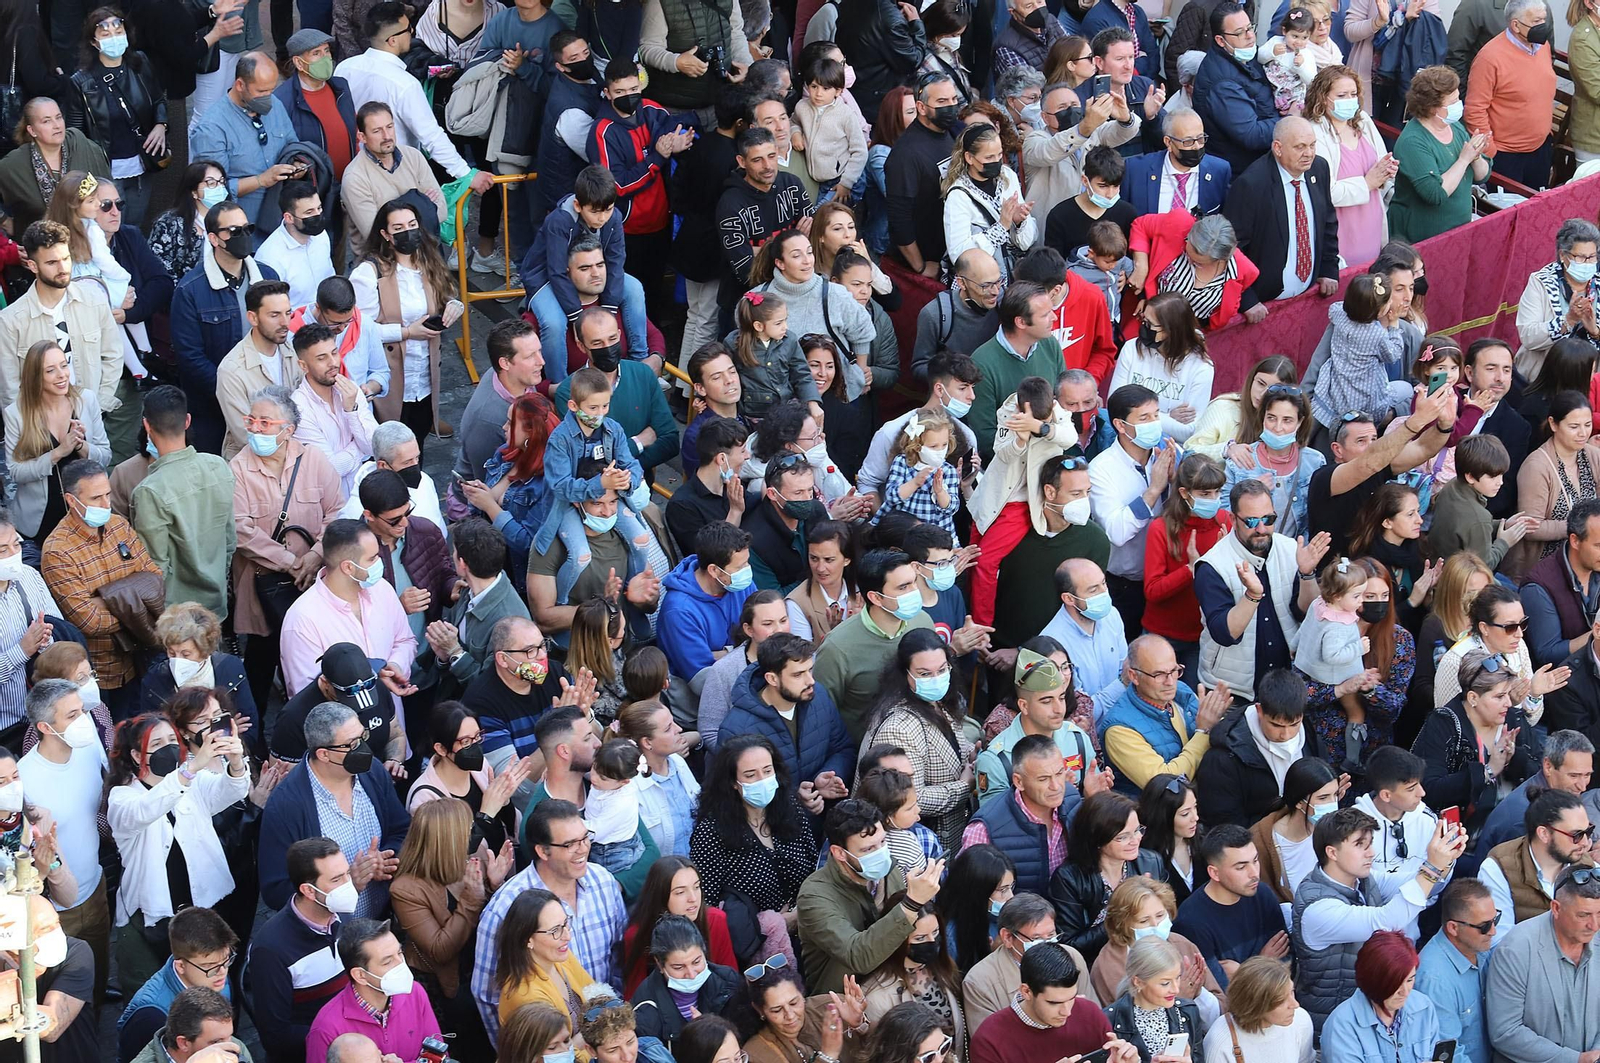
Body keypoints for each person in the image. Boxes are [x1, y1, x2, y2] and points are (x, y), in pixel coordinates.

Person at [105, 710, 250, 992]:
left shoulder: (191, 779)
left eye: (172, 739)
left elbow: (230, 792)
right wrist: (189, 770)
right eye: (157, 743)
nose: (169, 747)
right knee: (151, 989)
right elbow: (147, 809)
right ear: (137, 756)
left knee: (211, 985)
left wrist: (234, 761)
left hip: (201, 903)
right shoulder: (122, 797)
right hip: (152, 915)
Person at [1288, 805, 1464, 1032]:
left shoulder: (1363, 879)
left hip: (1369, 1014)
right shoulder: (1318, 909)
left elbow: (1419, 883)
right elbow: (1386, 921)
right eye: (1360, 845)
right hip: (1332, 1026)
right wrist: (1433, 867)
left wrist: (1445, 859)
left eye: (1370, 843)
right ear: (1332, 852)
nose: (1371, 852)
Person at [470, 800, 627, 1043]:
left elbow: (617, 957)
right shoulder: (505, 907)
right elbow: (487, 995)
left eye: (585, 838)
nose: (583, 849)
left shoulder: (604, 882)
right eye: (569, 844)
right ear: (543, 851)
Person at [257, 700, 411, 916]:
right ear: (323, 754)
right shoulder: (285, 806)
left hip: (380, 920)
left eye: (362, 737)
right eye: (352, 744)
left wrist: (386, 858)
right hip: (329, 938)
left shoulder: (372, 771)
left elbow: (401, 829)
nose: (364, 749)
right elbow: (276, 891)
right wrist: (344, 886)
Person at [41, 460, 163, 717]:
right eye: (96, 498)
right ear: (71, 501)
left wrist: (104, 599)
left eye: (108, 494)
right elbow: (89, 622)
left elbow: (155, 580)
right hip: (99, 674)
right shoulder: (57, 551)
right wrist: (135, 601)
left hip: (140, 659)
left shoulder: (119, 525)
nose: (107, 504)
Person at [169, 200, 281, 454]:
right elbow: (190, 357)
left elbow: (284, 336)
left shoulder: (268, 277)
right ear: (213, 238)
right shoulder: (190, 290)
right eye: (233, 231)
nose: (242, 237)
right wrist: (231, 390)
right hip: (212, 410)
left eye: (247, 229)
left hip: (269, 401)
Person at [335, 4, 486, 190]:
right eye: (407, 29)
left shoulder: (345, 68)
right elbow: (431, 136)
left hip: (355, 172)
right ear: (392, 40)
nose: (412, 31)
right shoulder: (405, 84)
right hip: (397, 176)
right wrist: (466, 174)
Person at [859, 630, 976, 853]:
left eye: (942, 670)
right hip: (912, 847)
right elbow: (909, 798)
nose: (936, 679)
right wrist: (964, 786)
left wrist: (970, 753)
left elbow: (947, 745)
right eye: (924, 674)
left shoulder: (936, 702)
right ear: (905, 674)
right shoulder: (898, 727)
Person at [243, 838, 357, 1060]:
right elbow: (276, 1036)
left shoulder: (343, 914)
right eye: (336, 879)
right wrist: (343, 1032)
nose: (348, 885)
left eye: (347, 874)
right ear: (309, 890)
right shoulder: (271, 950)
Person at [130, 386, 237, 621]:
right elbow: (230, 540)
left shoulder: (150, 491)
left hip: (176, 617)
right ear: (187, 421)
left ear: (146, 426)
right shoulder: (218, 466)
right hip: (216, 603)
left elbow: (156, 565)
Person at [814, 549, 944, 737]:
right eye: (903, 587)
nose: (914, 592)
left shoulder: (922, 622)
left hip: (922, 739)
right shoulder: (837, 648)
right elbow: (822, 715)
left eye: (914, 582)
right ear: (875, 597)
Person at [0, 221, 122, 421]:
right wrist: (29, 429)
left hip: (90, 418)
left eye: (66, 259)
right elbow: (9, 389)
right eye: (51, 262)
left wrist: (99, 406)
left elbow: (113, 354)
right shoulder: (11, 321)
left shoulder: (94, 301)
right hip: (40, 427)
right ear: (32, 266)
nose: (62, 268)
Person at [689, 733, 819, 917]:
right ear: (733, 782)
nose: (762, 780)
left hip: (808, 921)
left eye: (767, 771)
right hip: (755, 937)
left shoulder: (790, 806)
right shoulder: (711, 832)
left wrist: (798, 915)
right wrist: (771, 925)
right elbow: (707, 905)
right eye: (750, 775)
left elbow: (814, 865)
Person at [1222, 116, 1340, 316]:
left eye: (1312, 145)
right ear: (1278, 148)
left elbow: (1328, 221)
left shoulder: (1319, 169)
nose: (1309, 153)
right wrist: (1247, 298)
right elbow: (1232, 248)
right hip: (1265, 301)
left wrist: (1328, 268)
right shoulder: (1251, 184)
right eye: (1300, 147)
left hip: (1308, 294)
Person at [1484, 864, 1600, 1063]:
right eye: (1583, 915)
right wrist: (1576, 1060)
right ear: (1556, 908)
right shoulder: (1516, 950)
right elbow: (1505, 1031)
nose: (1594, 925)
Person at [4, 339, 111, 549]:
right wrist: (58, 452)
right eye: (50, 370)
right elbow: (16, 472)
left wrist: (81, 446)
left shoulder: (86, 400)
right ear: (36, 378)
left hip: (86, 511)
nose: (62, 374)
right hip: (42, 519)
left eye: (64, 365)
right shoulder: (15, 414)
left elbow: (106, 456)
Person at [1195, 670, 1327, 827]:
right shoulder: (1223, 758)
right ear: (1259, 711)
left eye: (1294, 724)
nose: (1286, 735)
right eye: (1276, 725)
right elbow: (1222, 824)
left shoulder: (1310, 736)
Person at [1047, 791, 1167, 964]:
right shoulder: (1069, 878)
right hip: (1097, 964)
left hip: (1150, 956)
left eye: (1137, 830)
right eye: (1123, 837)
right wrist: (1120, 915)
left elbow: (1167, 916)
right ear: (1097, 839)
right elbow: (1069, 944)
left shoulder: (1151, 862)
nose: (1136, 840)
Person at [188, 53, 301, 231]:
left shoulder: (275, 105)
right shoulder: (211, 128)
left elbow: (292, 143)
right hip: (242, 228)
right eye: (262, 92)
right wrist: (262, 180)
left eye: (272, 90)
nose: (268, 97)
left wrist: (296, 163)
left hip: (282, 221)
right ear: (240, 85)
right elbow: (212, 191)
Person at [968, 942, 1134, 1063]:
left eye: (1072, 999)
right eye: (1054, 1003)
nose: (1067, 1012)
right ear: (1026, 991)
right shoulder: (989, 1040)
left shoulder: (1090, 1014)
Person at [304, 918, 439, 1062]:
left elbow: (438, 1055)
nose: (401, 964)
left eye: (399, 953)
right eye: (387, 961)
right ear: (360, 975)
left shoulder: (415, 993)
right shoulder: (327, 1029)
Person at [116, 907, 241, 1063]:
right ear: (180, 966)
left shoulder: (212, 974)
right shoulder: (151, 1016)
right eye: (210, 966)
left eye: (227, 960)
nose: (222, 972)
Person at [1172, 824, 1290, 988]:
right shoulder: (1191, 923)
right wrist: (1265, 963)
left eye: (1255, 861)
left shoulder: (1262, 894)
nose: (1254, 873)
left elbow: (1286, 963)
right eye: (1241, 867)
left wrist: (1245, 971)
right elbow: (1218, 990)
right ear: (1214, 873)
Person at [1304, 66, 1392, 268]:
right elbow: (1325, 191)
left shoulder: (1363, 121)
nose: (1350, 100)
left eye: (1353, 94)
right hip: (1341, 226)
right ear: (1323, 97)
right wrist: (1367, 183)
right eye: (1342, 95)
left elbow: (1380, 160)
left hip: (1372, 217)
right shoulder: (1314, 132)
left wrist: (1387, 171)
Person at [1388, 65, 1489, 243]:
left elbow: (1482, 176)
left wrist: (1476, 155)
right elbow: (1435, 194)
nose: (1459, 105)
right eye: (1452, 102)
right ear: (1433, 108)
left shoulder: (1455, 127)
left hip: (1459, 230)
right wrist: (1464, 159)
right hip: (1422, 237)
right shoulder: (1413, 141)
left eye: (1458, 98)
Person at [1464, 0, 1557, 188]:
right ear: (1516, 25)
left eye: (1544, 20)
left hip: (1540, 150)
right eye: (1537, 21)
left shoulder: (1542, 46)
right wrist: (1490, 151)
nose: (1544, 26)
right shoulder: (1490, 58)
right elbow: (1474, 110)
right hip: (1506, 157)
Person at [339, 103, 447, 256]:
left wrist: (389, 214)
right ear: (362, 137)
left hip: (429, 254)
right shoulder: (355, 178)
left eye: (389, 127)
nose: (387, 136)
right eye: (377, 131)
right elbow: (377, 236)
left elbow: (441, 211)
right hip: (385, 264)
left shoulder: (413, 156)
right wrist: (423, 203)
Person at [1126, 211, 1260, 334]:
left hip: (1184, 339)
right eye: (1187, 250)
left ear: (1220, 259)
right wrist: (1141, 267)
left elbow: (1220, 314)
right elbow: (1140, 226)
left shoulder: (1243, 270)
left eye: (1199, 263)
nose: (1189, 261)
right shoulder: (1179, 223)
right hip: (1142, 324)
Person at [216, 281, 307, 461]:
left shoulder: (293, 350)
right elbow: (246, 436)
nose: (285, 322)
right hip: (251, 466)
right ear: (253, 318)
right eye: (274, 315)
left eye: (288, 313)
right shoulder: (231, 370)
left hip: (294, 455)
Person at [1320, 930, 1444, 1063]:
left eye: (1410, 980)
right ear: (1372, 979)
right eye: (1395, 983)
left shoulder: (1423, 1006)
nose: (1405, 991)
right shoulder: (1342, 1025)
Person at [1481, 787, 1594, 929]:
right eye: (1576, 835)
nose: (1585, 843)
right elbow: (1500, 940)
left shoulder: (1589, 866)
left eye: (1588, 832)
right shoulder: (1499, 867)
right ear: (1544, 834)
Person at [1477, 729, 1596, 858]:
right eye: (1574, 776)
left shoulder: (1560, 796)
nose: (1582, 786)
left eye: (1587, 775)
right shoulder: (1523, 818)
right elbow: (1526, 874)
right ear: (1548, 766)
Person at [1411, 880, 1494, 1063]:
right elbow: (1449, 1054)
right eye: (1485, 926)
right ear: (1453, 928)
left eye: (1495, 920)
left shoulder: (1480, 948)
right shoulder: (1434, 980)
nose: (1493, 931)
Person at [885, 74, 959, 278]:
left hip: (949, 252)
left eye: (954, 99)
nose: (951, 107)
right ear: (921, 107)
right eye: (942, 101)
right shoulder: (905, 155)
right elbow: (899, 218)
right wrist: (920, 267)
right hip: (926, 263)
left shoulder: (950, 133)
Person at [0, 100, 110, 236]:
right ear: (32, 130)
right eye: (46, 121)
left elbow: (107, 190)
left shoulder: (79, 144)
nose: (57, 125)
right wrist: (4, 220)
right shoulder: (13, 165)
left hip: (91, 240)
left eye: (58, 117)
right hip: (40, 248)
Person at [1193, 3, 1279, 172]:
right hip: (1240, 171)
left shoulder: (1245, 54)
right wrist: (1291, 119)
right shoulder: (1221, 83)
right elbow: (1251, 134)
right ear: (1220, 40)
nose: (1250, 36)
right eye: (1240, 32)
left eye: (1250, 28)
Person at [274, 29, 357, 182]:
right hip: (314, 191)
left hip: (350, 182)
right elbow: (281, 150)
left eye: (326, 51)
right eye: (316, 53)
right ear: (299, 62)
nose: (325, 58)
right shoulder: (282, 101)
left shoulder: (341, 87)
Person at [1121, 109, 1233, 216]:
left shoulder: (1219, 171)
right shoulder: (1136, 170)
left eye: (1200, 139)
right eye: (1188, 141)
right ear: (1168, 142)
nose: (1196, 147)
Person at [1198, 956, 1311, 1063]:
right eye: (1281, 1000)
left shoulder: (1300, 1020)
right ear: (1256, 1004)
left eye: (1292, 991)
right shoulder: (1220, 1040)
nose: (1295, 1004)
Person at [255, 181, 336, 310]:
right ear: (289, 218)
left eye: (319, 208)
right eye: (309, 212)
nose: (317, 215)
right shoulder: (269, 257)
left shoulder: (320, 236)